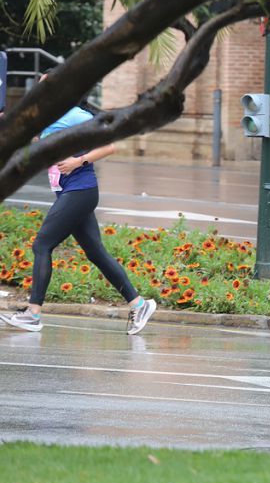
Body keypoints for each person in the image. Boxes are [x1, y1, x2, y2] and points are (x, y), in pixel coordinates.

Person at [0, 99, 157, 335]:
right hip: (71, 192)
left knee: (42, 244)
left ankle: (33, 314)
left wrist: (77, 161)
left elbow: (109, 146)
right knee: (96, 252)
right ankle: (139, 304)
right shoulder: (50, 118)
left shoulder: (74, 114)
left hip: (80, 191)